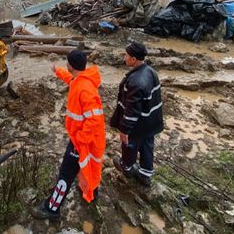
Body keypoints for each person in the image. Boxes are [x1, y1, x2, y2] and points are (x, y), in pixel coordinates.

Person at [32, 50, 105, 220]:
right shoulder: (81, 80)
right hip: (86, 138)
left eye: (66, 63)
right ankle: (91, 191)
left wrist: (79, 140)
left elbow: (94, 120)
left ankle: (52, 209)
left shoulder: (84, 89)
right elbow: (70, 79)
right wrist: (57, 71)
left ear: (70, 65)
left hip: (82, 140)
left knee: (66, 173)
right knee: (90, 165)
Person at [110, 42, 163, 187]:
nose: (124, 58)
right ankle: (146, 174)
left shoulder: (136, 81)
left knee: (130, 145)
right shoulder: (151, 72)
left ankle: (126, 167)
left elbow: (132, 110)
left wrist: (124, 129)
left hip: (138, 124)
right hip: (151, 121)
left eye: (126, 55)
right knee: (147, 146)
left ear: (133, 59)